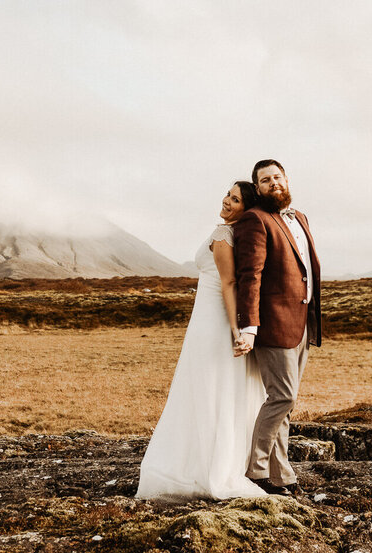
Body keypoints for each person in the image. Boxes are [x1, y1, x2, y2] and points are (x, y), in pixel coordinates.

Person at [136, 181, 270, 500]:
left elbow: (229, 284)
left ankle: (208, 468)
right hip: (214, 320)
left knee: (208, 389)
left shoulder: (223, 235)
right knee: (219, 389)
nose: (226, 201)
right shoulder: (242, 236)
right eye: (228, 193)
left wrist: (238, 331)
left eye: (235, 199)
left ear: (246, 208)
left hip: (213, 323)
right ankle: (219, 461)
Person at [233, 159, 322, 497]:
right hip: (272, 325)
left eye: (277, 177)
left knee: (286, 402)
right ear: (258, 188)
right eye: (265, 180)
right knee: (282, 397)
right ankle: (256, 471)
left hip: (302, 324)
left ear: (287, 179)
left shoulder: (299, 217)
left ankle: (281, 475)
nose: (273, 183)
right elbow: (250, 277)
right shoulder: (255, 220)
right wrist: (250, 326)